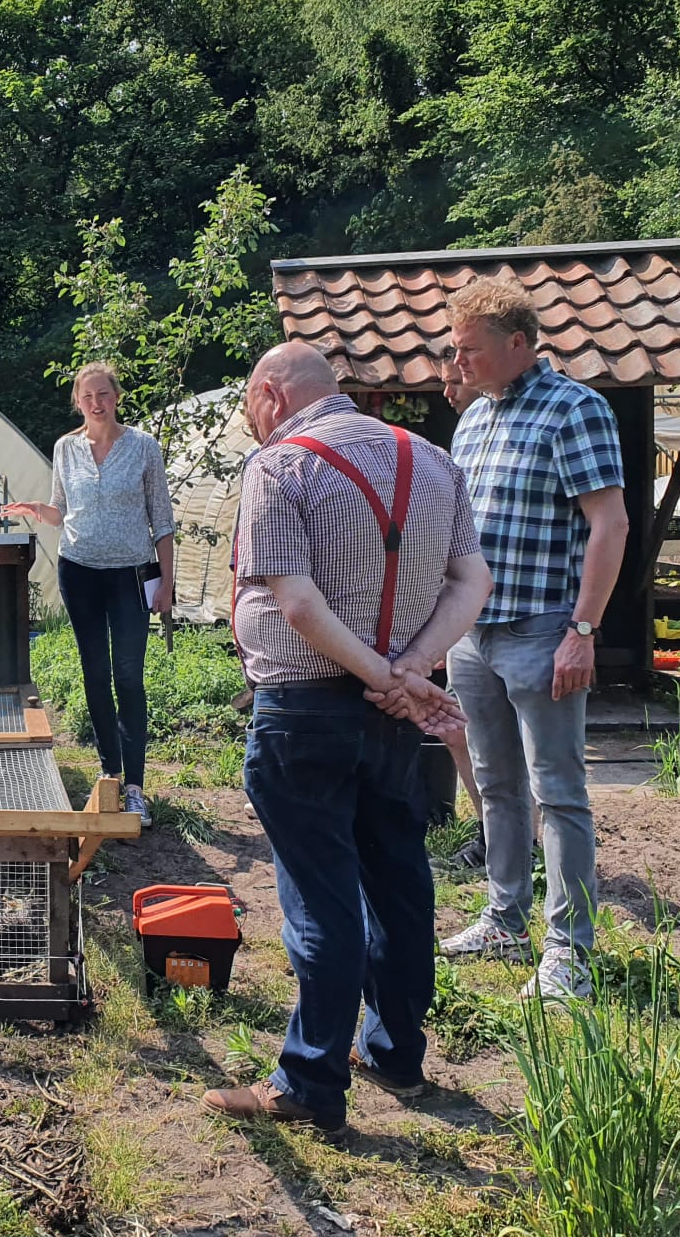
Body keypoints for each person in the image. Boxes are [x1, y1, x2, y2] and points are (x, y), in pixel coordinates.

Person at [203, 344, 490, 1132]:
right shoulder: (432, 459)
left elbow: (295, 604)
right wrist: (411, 670)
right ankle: (397, 1052)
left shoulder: (281, 466)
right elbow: (474, 581)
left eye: (252, 409)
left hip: (304, 711)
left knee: (319, 896)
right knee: (398, 880)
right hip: (394, 717)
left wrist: (382, 672)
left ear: (270, 394)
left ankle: (309, 1084)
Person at [434, 278, 627, 1002]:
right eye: (455, 350)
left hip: (544, 629)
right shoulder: (475, 419)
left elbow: (610, 525)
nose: (458, 364)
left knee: (561, 792)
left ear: (519, 344)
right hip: (476, 633)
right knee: (494, 785)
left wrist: (583, 631)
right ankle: (504, 917)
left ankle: (568, 951)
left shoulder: (577, 409)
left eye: (470, 350)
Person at [3, 362, 176, 826]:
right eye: (87, 397)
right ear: (78, 402)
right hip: (79, 571)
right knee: (95, 673)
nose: (96, 403)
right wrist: (40, 509)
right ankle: (110, 778)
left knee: (129, 676)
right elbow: (62, 510)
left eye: (103, 394)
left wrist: (168, 581)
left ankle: (137, 788)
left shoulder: (142, 447)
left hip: (130, 575)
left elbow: (161, 519)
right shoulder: (66, 448)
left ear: (117, 396)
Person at [435, 352, 489, 873]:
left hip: (517, 610)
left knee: (504, 737)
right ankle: (490, 829)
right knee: (458, 728)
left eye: (454, 382)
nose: (448, 392)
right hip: (466, 611)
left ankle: (520, 838)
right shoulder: (468, 431)